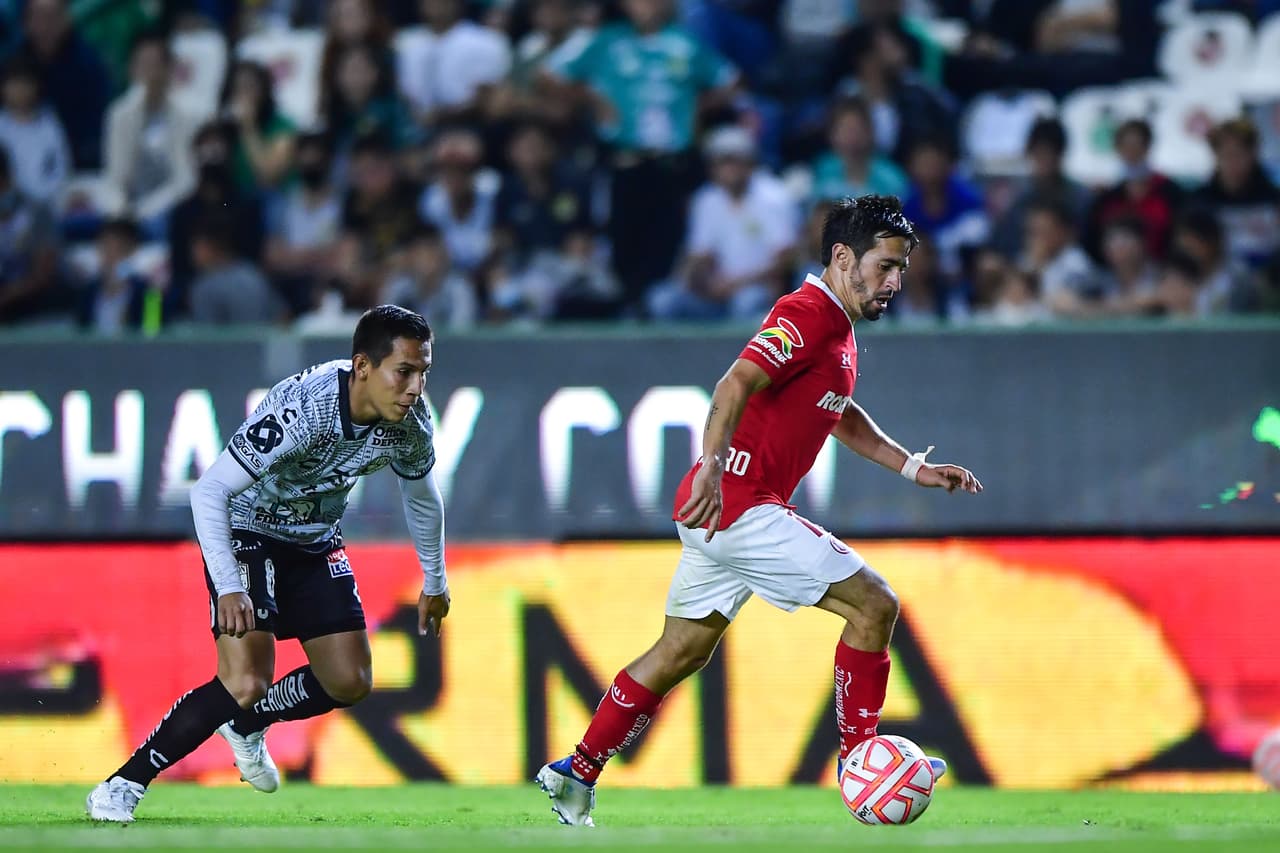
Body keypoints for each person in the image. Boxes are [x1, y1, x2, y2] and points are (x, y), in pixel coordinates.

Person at [535, 195, 982, 826]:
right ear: (842, 257)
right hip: (739, 504)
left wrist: (912, 466)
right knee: (873, 604)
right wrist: (712, 466)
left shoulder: (839, 329)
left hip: (720, 515)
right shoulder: (807, 314)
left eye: (901, 269)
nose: (895, 282)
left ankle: (576, 771)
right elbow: (735, 382)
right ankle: (863, 763)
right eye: (885, 266)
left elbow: (837, 412)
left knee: (681, 651)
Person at [86, 305, 450, 823]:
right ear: (363, 366)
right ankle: (123, 784)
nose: (415, 388)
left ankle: (247, 723)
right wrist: (229, 584)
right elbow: (210, 490)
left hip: (314, 539)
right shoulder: (306, 411)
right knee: (244, 681)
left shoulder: (410, 424)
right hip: (247, 528)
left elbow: (422, 497)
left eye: (423, 373)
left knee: (349, 680)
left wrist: (435, 579)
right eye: (405, 372)